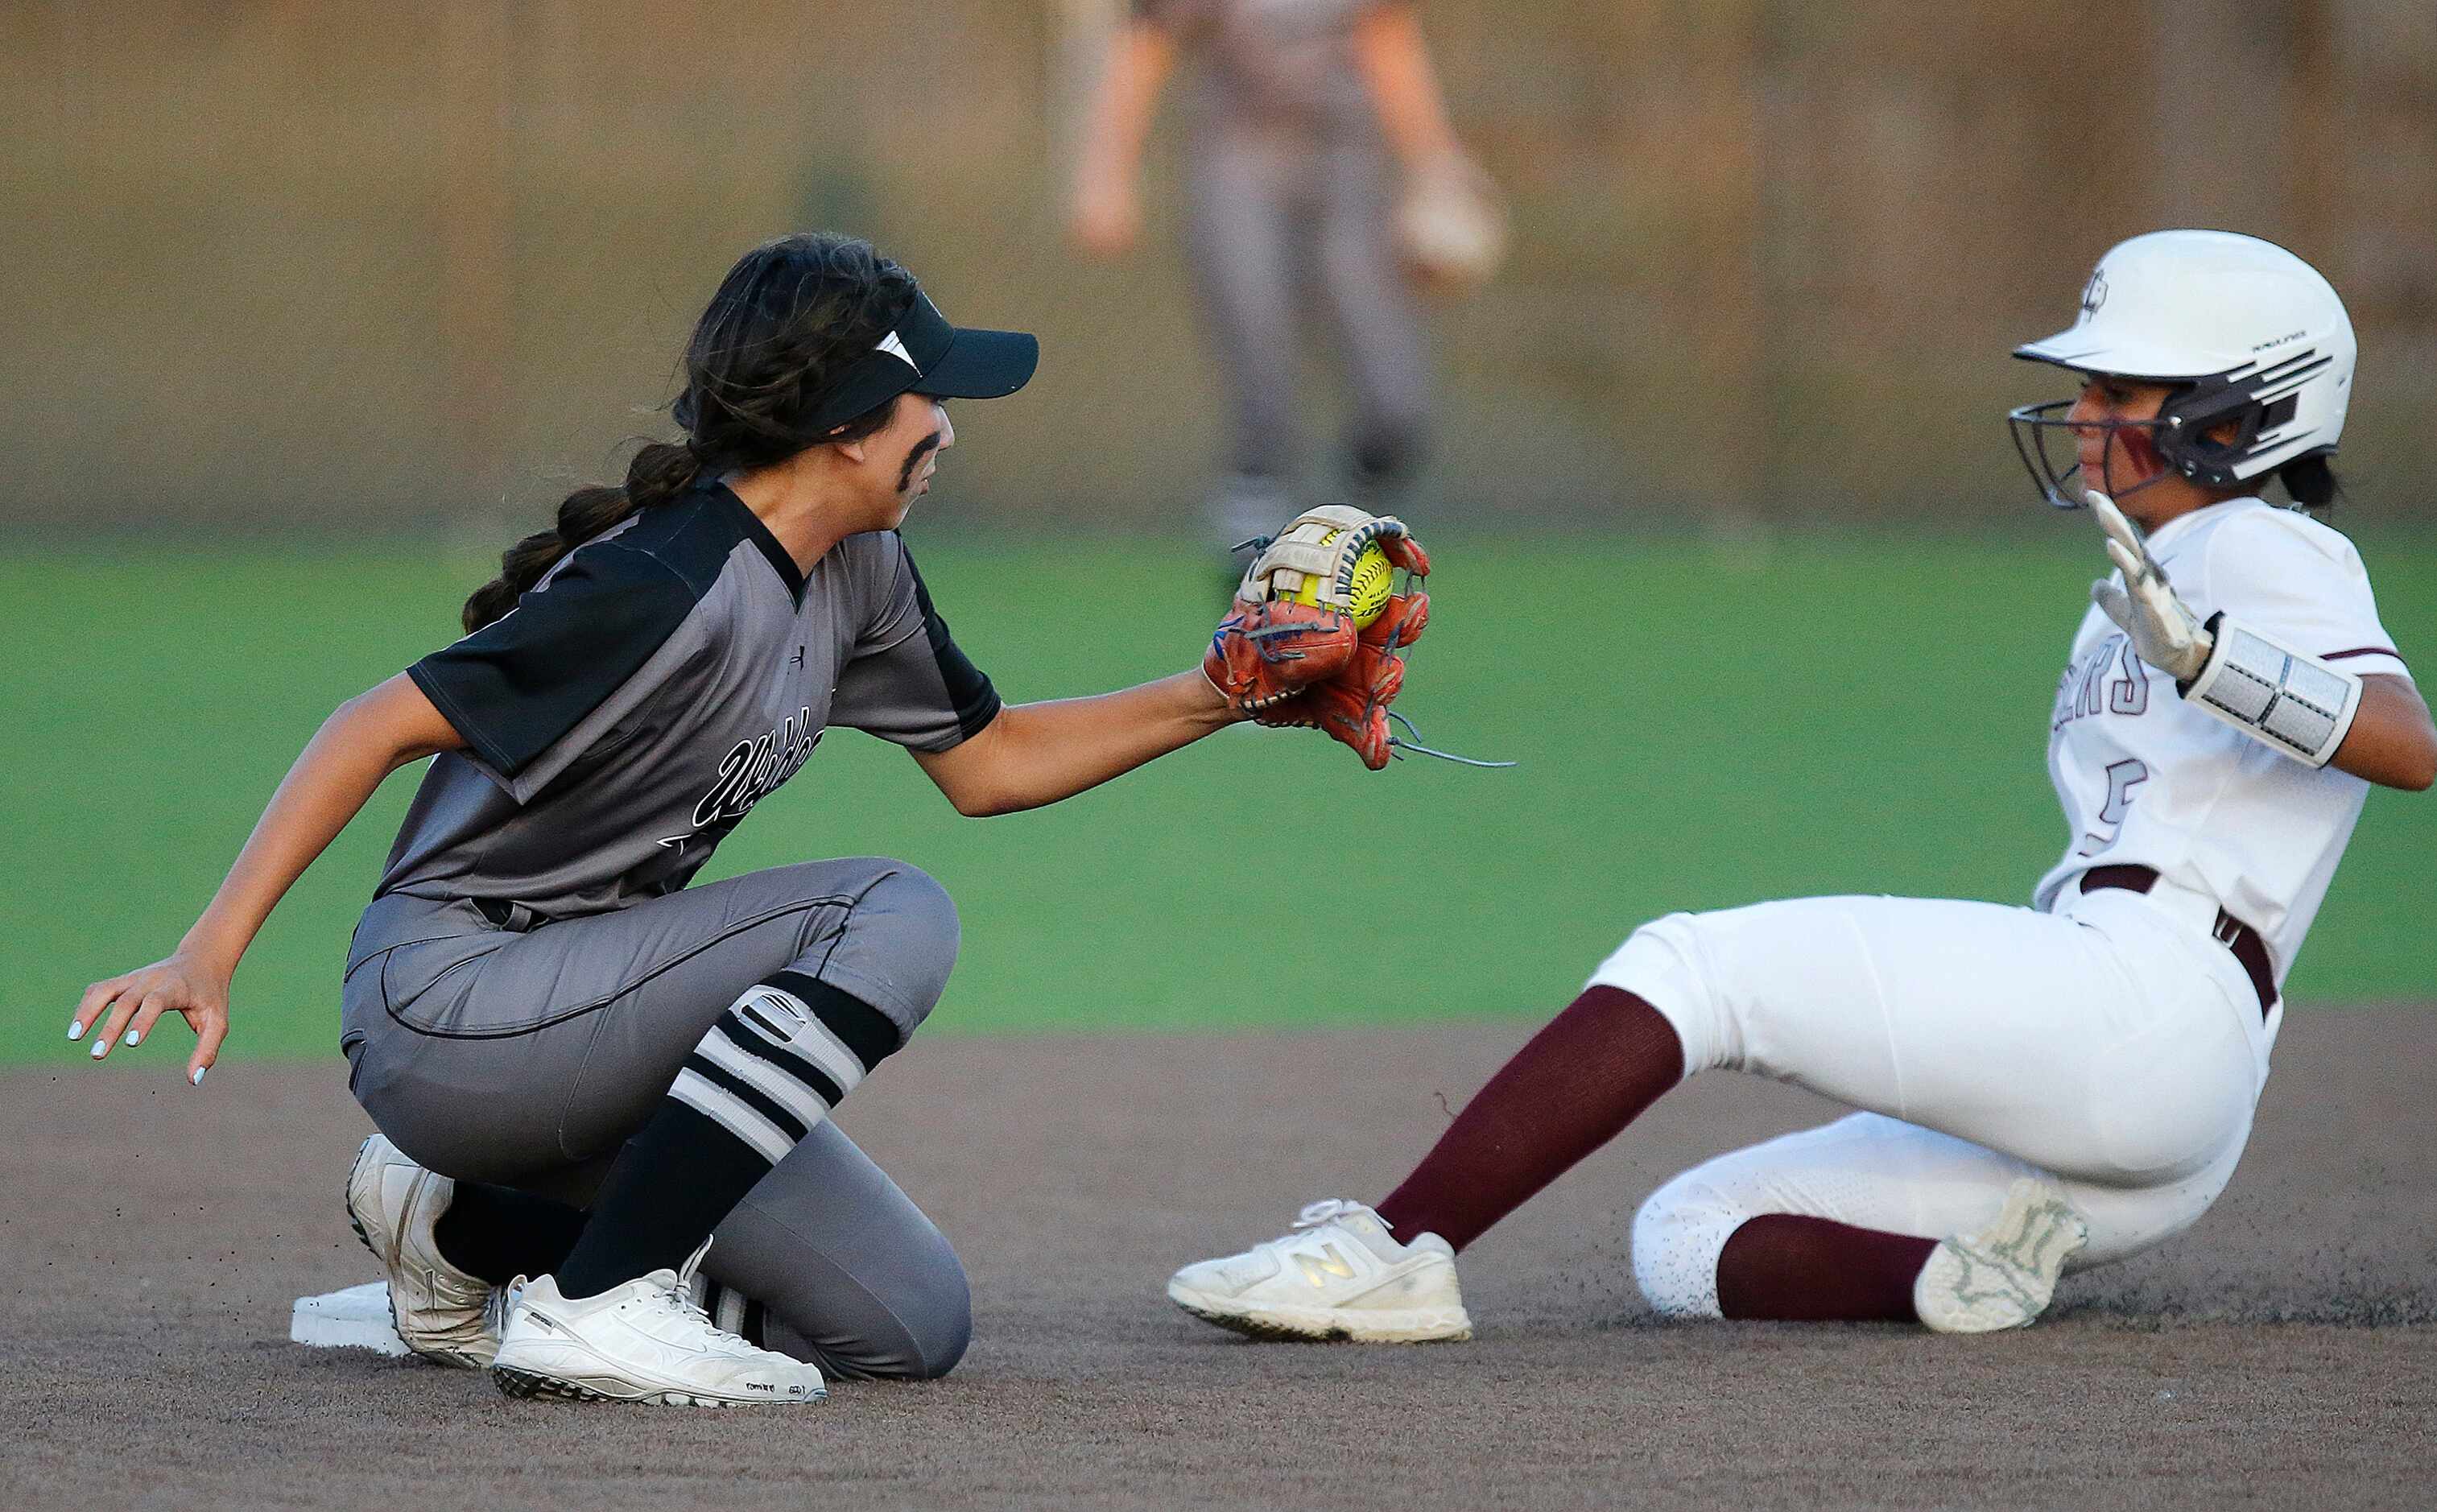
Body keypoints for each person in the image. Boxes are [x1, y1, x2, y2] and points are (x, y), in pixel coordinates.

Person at [69, 233, 1365, 1407]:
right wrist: (210, 947)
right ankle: (603, 1304)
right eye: (934, 396)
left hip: (601, 1020)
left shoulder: (857, 569)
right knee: (885, 911)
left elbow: (990, 759)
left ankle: (455, 1231)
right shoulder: (659, 581)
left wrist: (1221, 692)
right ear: (849, 425)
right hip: (452, 1003)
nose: (949, 430)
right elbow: (370, 722)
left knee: (906, 1324)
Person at [1165, 229, 2436, 1342]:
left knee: (1690, 966)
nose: (2086, 412)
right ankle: (1955, 1276)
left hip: (2148, 1001)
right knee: (1688, 1231)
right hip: (2154, 1090)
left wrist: (2219, 663)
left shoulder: (2256, 541)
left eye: (2118, 386)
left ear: (2238, 412)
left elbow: (2407, 742)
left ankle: (1394, 1250)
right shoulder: (2162, 560)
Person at [1069, 0, 1489, 557]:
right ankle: (1252, 558)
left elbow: (1387, 42)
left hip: (1347, 166)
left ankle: (1336, 537)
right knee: (1259, 378)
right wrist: (1107, 174)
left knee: (1395, 405)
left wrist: (1435, 163)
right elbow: (1145, 46)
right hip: (1240, 161)